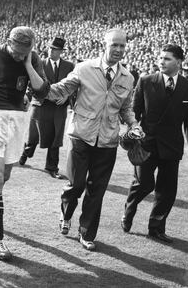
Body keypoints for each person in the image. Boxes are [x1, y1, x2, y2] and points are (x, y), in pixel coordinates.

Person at [45, 28, 144, 251]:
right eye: (114, 45)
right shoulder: (84, 68)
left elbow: (126, 108)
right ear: (105, 45)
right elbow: (61, 89)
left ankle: (87, 233)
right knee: (76, 185)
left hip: (108, 141)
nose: (118, 50)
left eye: (122, 46)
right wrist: (42, 89)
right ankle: (66, 213)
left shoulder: (128, 78)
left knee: (96, 190)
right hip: (81, 136)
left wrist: (133, 124)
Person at [0, 26, 49, 261]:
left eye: (25, 50)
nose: (19, 54)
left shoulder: (32, 59)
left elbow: (42, 92)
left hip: (16, 120)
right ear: (7, 41)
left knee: (4, 177)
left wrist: (28, 64)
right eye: (17, 50)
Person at [121, 44, 188, 243]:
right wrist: (132, 135)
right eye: (161, 58)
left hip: (172, 147)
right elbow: (134, 114)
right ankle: (129, 210)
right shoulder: (146, 81)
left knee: (167, 191)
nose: (161, 61)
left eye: (167, 58)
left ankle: (156, 228)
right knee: (144, 184)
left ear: (179, 62)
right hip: (146, 145)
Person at [19, 37, 75, 179]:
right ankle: (25, 154)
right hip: (41, 105)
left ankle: (52, 167)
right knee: (34, 137)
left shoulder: (69, 66)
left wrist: (66, 96)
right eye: (50, 48)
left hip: (58, 107)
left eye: (55, 49)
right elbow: (30, 82)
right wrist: (27, 97)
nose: (52, 51)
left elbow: (74, 85)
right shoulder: (40, 63)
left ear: (61, 51)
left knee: (56, 137)